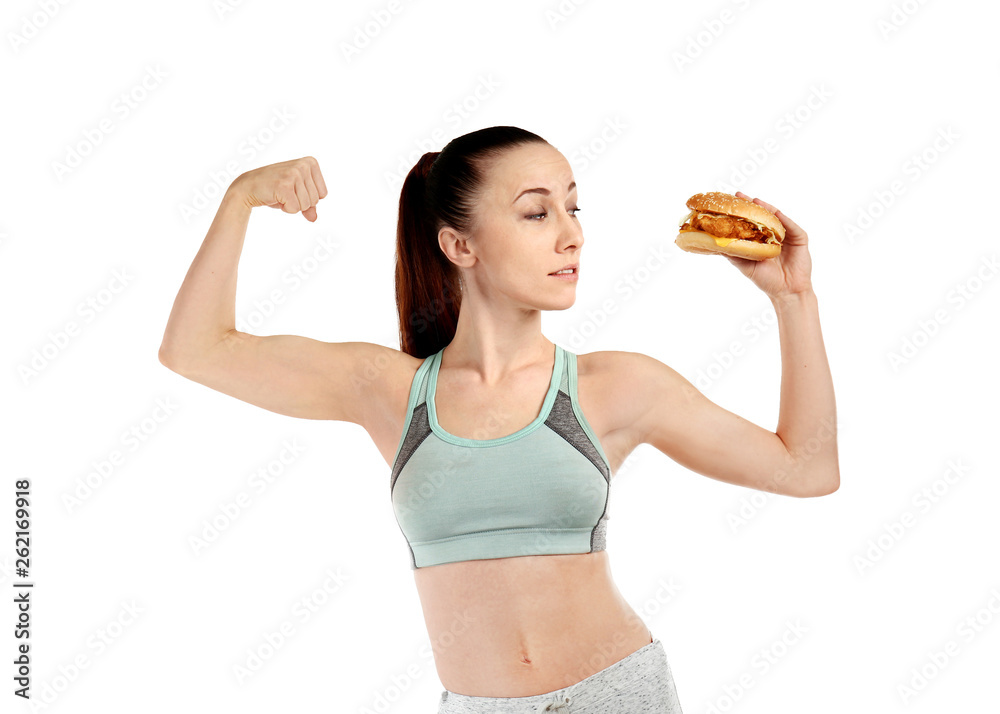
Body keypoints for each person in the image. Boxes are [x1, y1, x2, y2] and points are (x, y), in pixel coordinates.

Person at [158, 125, 839, 713]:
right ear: (460, 246)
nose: (572, 235)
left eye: (574, 208)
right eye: (537, 214)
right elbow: (194, 350)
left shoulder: (614, 386)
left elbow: (806, 469)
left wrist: (794, 299)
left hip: (618, 694)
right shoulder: (388, 391)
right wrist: (240, 196)